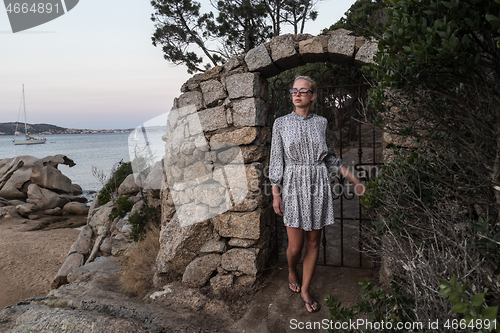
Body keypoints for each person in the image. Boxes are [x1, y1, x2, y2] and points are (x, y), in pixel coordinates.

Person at [269, 75, 365, 313]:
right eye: (294, 90)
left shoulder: (321, 122)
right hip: (292, 184)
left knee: (313, 242)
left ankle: (305, 289)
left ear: (312, 95)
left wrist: (353, 178)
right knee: (295, 246)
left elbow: (329, 157)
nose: (297, 94)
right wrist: (276, 193)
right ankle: (292, 270)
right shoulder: (280, 123)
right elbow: (276, 160)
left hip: (318, 184)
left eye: (303, 90)